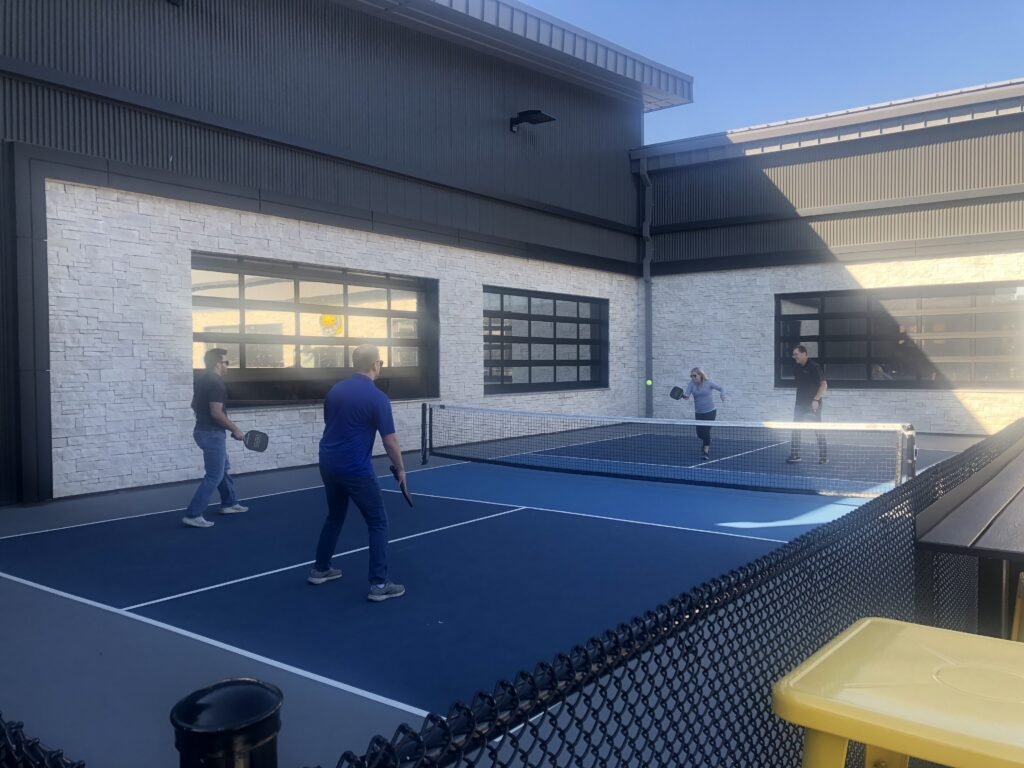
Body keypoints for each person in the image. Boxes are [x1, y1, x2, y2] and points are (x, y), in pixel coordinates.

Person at [309, 344, 407, 602]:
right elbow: (390, 441)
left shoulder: (335, 390)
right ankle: (379, 584)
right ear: (376, 364)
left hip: (328, 463)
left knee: (334, 516)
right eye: (380, 362)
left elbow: (333, 424)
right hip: (355, 468)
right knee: (378, 522)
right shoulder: (377, 397)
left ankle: (321, 569)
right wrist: (400, 468)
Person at [183, 348, 248, 528]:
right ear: (218, 364)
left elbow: (194, 404)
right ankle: (193, 514)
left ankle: (229, 503)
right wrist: (236, 430)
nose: (228, 365)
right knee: (214, 475)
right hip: (211, 434)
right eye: (226, 362)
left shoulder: (202, 379)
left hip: (204, 431)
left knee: (222, 469)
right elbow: (216, 413)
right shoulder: (216, 383)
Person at [787, 345, 828, 464]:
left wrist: (815, 400)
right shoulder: (796, 368)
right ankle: (795, 455)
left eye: (796, 354)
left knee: (817, 430)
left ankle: (823, 457)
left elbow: (824, 385)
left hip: (813, 404)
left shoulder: (814, 367)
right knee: (795, 429)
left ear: (804, 354)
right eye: (793, 354)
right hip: (799, 404)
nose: (794, 356)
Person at [678, 367, 726, 460]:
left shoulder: (708, 383)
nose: (693, 377)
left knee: (706, 431)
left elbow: (722, 388)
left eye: (694, 375)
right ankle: (707, 440)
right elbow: (687, 396)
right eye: (691, 376)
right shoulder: (691, 384)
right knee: (699, 434)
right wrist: (683, 396)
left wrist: (722, 394)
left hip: (710, 412)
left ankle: (705, 452)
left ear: (700, 375)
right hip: (699, 413)